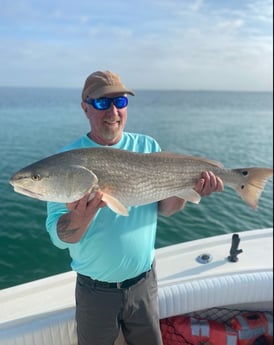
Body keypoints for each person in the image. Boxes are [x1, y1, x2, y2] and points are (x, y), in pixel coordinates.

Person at [46, 70, 224, 345]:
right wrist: (81, 217)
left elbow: (165, 208)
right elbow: (60, 238)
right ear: (85, 108)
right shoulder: (66, 164)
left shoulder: (147, 146)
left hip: (144, 286)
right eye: (102, 103)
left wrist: (190, 190)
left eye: (120, 102)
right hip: (95, 293)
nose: (113, 111)